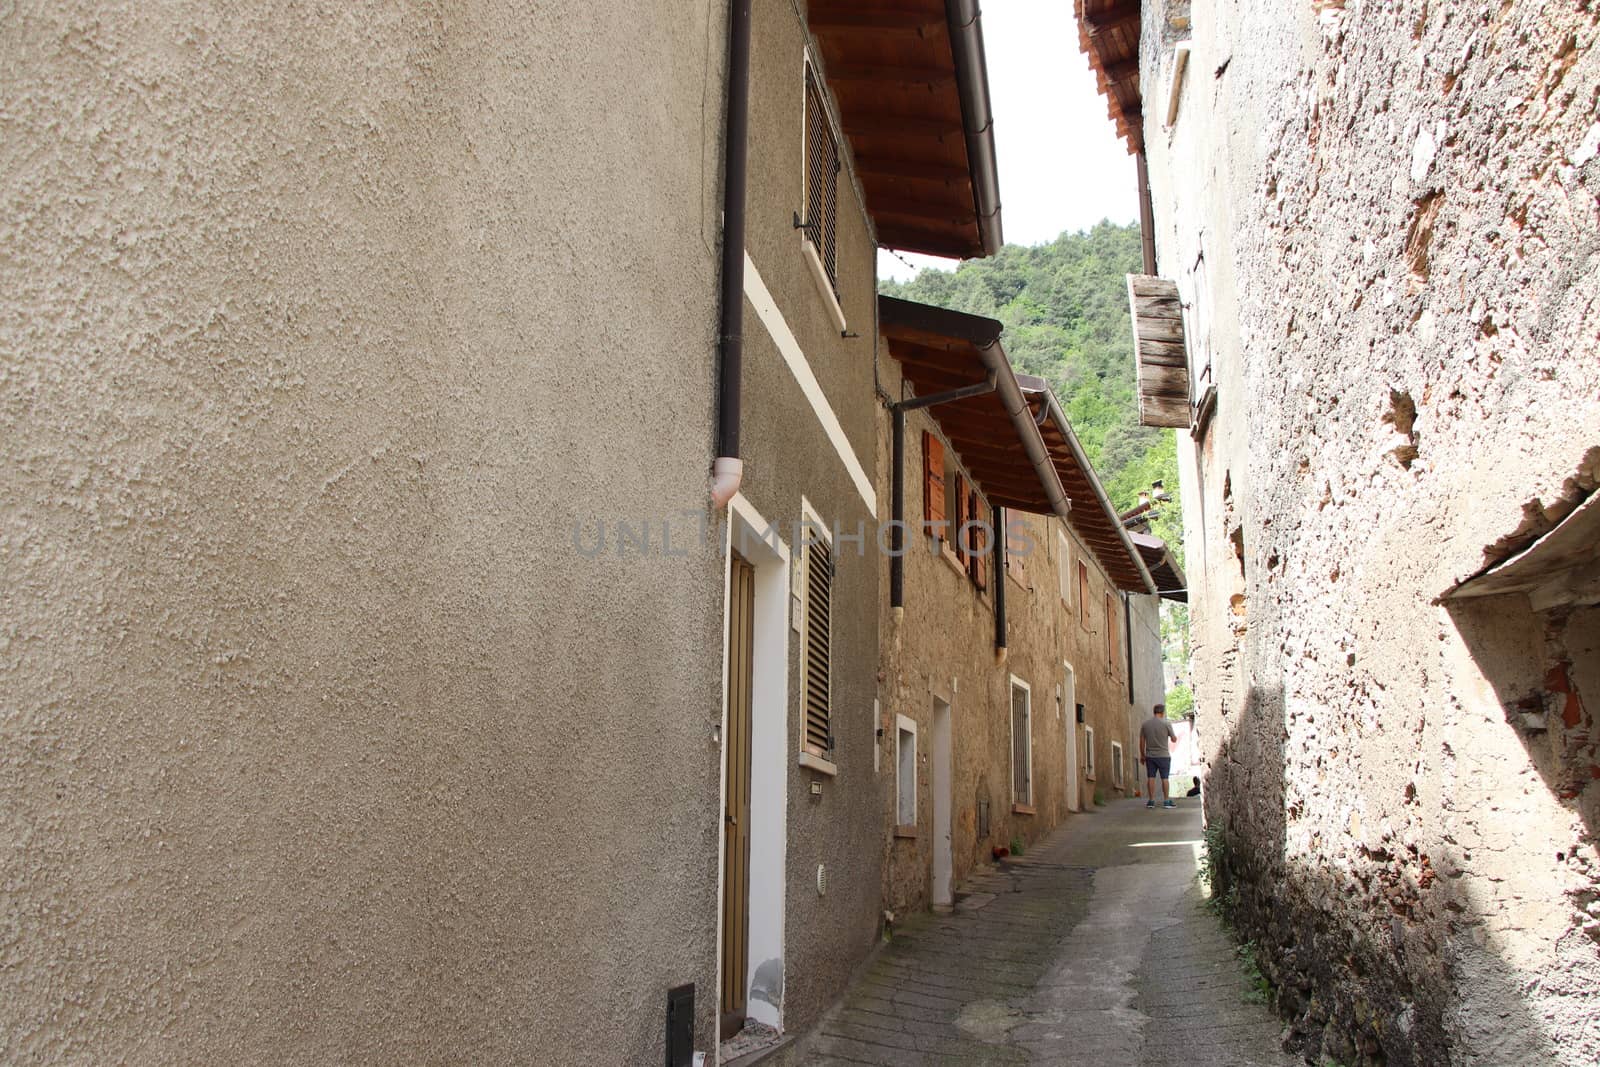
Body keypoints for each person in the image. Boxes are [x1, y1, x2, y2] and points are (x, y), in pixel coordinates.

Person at [1139, 704, 1179, 809]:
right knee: (1164, 778)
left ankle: (1151, 801)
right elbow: (1174, 739)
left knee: (1151, 777)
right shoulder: (1166, 723)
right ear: (1162, 712)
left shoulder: (1145, 725)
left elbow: (1142, 741)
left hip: (1150, 756)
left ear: (1154, 712)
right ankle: (1166, 801)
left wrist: (1142, 755)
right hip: (1164, 755)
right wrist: (1173, 736)